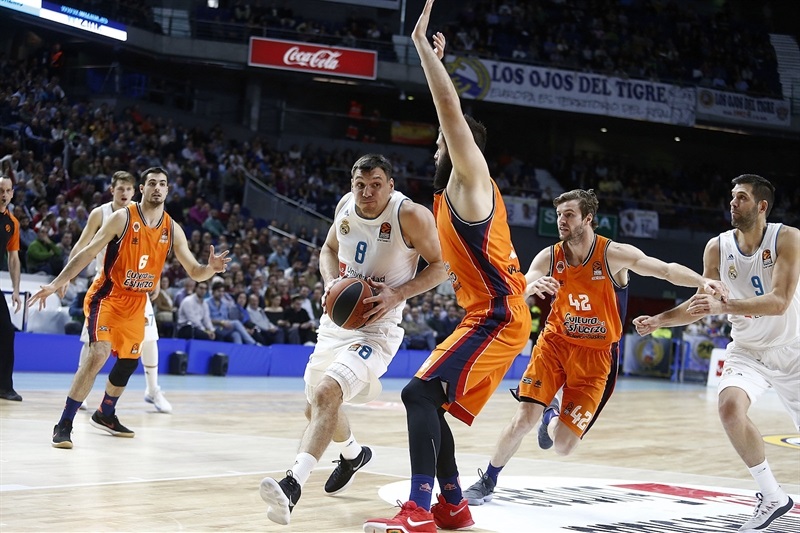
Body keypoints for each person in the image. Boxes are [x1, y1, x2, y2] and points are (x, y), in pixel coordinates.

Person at [364, 4, 532, 530]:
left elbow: (449, 110)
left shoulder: (470, 179)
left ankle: (418, 508)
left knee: (417, 393)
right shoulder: (447, 198)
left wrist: (424, 53)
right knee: (428, 402)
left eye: (442, 142)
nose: (437, 145)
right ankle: (454, 506)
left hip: (499, 315)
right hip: (486, 311)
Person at [460, 188, 729, 511]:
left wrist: (703, 282)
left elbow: (665, 269)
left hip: (597, 358)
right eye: (559, 214)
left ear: (588, 218)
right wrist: (532, 287)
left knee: (562, 446)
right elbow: (521, 289)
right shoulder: (549, 257)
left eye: (569, 214)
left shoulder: (612, 254)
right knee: (522, 418)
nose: (562, 220)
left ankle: (552, 415)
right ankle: (488, 479)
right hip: (555, 345)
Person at [259, 153, 446, 526]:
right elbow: (328, 251)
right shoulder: (346, 204)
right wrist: (330, 282)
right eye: (360, 184)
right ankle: (353, 454)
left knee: (328, 393)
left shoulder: (409, 215)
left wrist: (398, 294)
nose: (366, 191)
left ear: (390, 185)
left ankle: (292, 484)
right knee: (315, 405)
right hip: (337, 321)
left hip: (378, 327)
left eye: (376, 184)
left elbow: (443, 266)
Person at [633, 174, 798, 532]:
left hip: (794, 349)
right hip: (749, 350)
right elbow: (701, 304)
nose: (732, 203)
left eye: (741, 198)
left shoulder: (787, 238)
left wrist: (728, 306)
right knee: (729, 408)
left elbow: (780, 301)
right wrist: (658, 319)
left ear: (762, 206)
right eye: (732, 197)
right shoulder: (717, 247)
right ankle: (772, 496)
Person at [28, 167, 230, 449]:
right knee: (98, 354)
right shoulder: (122, 217)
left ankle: (105, 413)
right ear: (143, 189)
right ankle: (64, 423)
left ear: (168, 190)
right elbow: (87, 252)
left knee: (129, 361)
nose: (157, 188)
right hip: (108, 296)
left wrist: (212, 269)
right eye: (151, 183)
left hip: (137, 303)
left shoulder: (172, 229)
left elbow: (195, 271)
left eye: (162, 184)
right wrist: (56, 283)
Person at [66, 171, 172, 413]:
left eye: (128, 189)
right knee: (92, 343)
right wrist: (66, 277)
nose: (124, 193)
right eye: (120, 189)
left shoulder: (142, 212)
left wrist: (155, 279)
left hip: (136, 285)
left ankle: (152, 390)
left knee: (150, 338)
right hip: (105, 286)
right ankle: (80, 392)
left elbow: (155, 248)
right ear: (111, 190)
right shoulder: (101, 214)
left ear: (136, 191)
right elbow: (82, 245)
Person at [0, 176, 23, 401]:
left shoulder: (12, 223)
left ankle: (4, 386)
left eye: (7, 191)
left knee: (6, 332)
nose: (4, 195)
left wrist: (16, 289)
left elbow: (13, 258)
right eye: (0, 190)